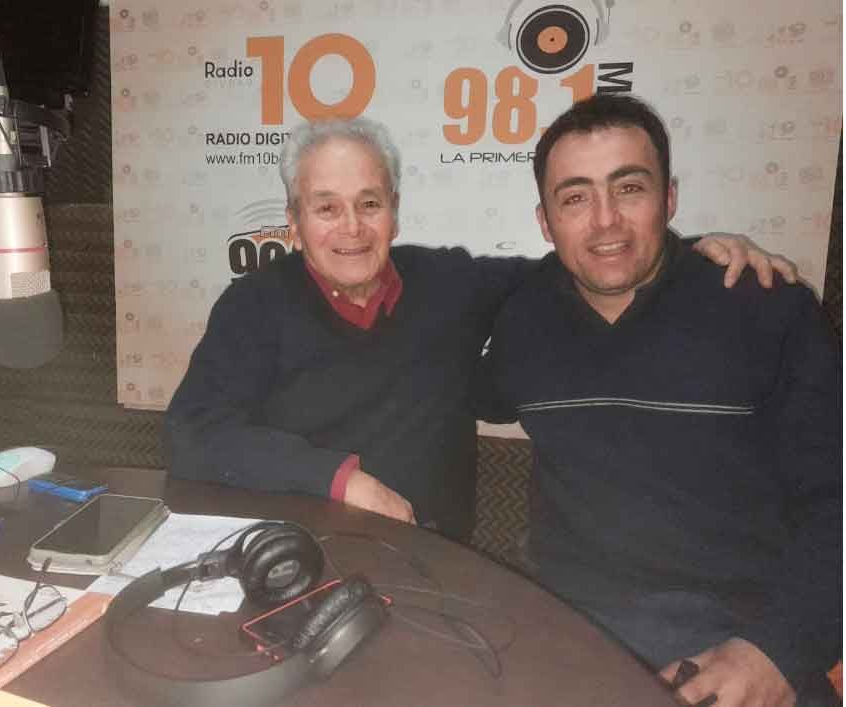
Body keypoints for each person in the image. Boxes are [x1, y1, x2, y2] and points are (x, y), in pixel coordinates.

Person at [164, 117, 796, 544]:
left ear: (394, 212)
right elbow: (193, 433)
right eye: (326, 207)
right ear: (295, 222)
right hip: (296, 550)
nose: (351, 227)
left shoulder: (450, 282)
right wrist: (342, 480)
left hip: (433, 560)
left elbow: (588, 260)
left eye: (369, 203)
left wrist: (693, 250)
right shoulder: (254, 305)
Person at [484, 94, 841, 707]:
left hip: (745, 635)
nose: (606, 221)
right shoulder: (524, 320)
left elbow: (837, 495)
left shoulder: (765, 306)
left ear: (668, 199)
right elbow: (438, 375)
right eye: (575, 198)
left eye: (629, 188)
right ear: (545, 222)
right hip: (568, 627)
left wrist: (779, 651)